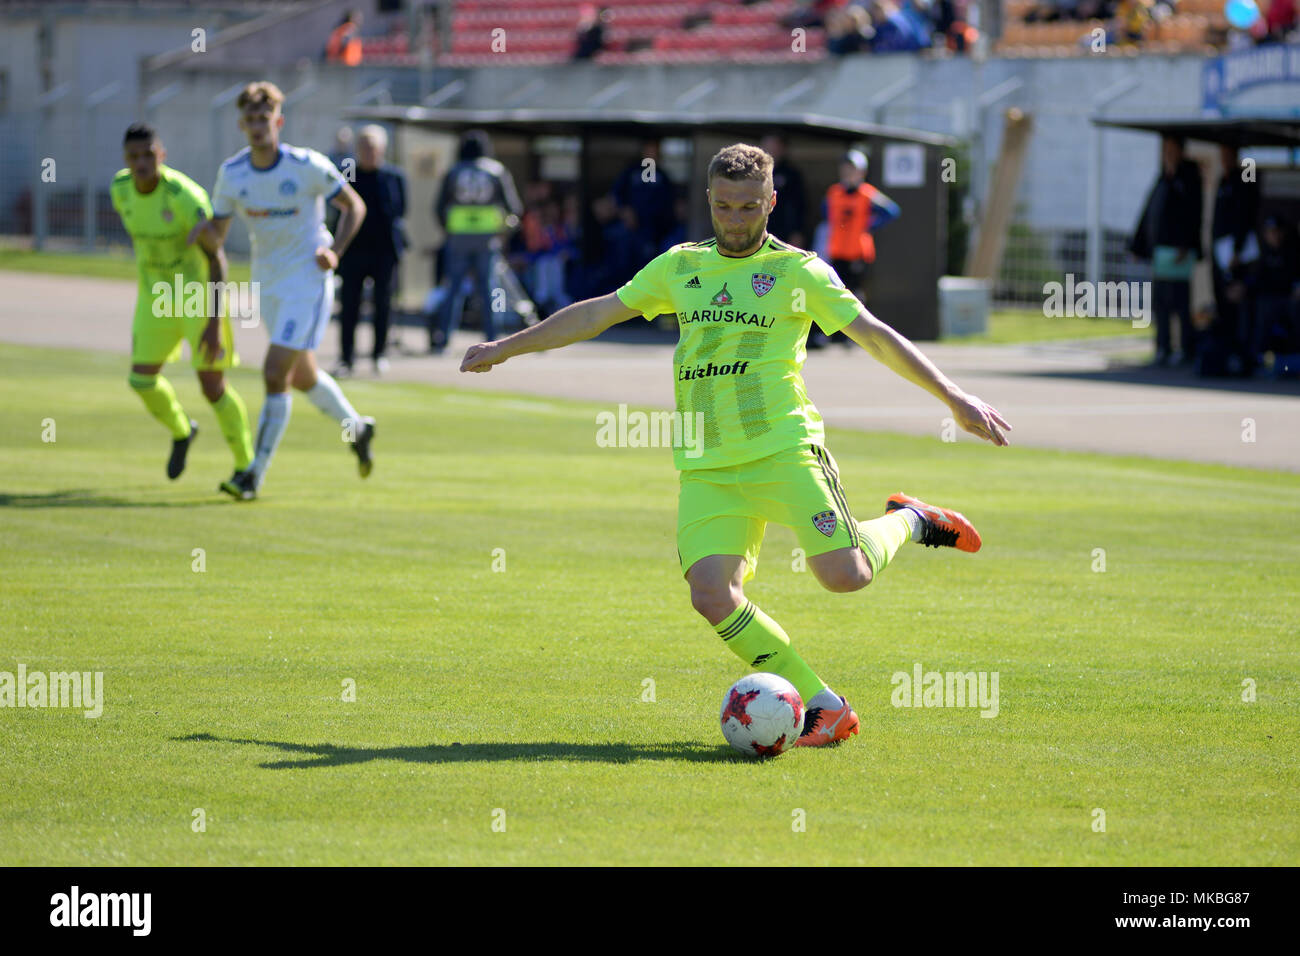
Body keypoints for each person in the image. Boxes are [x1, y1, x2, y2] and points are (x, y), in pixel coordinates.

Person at [460, 143, 1010, 748]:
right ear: (709, 201)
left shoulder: (799, 272)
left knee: (845, 577)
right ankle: (825, 705)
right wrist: (504, 346)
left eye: (750, 207)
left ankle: (910, 519)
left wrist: (954, 397)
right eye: (724, 206)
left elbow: (875, 337)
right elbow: (596, 314)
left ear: (771, 202)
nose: (736, 219)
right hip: (706, 465)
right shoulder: (679, 266)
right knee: (711, 593)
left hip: (782, 448)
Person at [190, 81, 375, 501]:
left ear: (279, 121)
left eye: (264, 118)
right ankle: (358, 428)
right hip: (267, 283)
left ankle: (252, 474)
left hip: (307, 280)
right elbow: (217, 234)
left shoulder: (305, 165)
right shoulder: (232, 174)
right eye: (250, 120)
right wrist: (200, 233)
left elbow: (353, 205)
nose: (258, 127)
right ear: (241, 125)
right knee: (302, 375)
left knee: (275, 372)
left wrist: (335, 251)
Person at [110, 123, 254, 483]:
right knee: (141, 381)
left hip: (195, 298)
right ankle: (182, 430)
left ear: (162, 155)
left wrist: (213, 322)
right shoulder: (120, 189)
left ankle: (246, 465)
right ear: (125, 159)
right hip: (155, 297)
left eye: (148, 155)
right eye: (134, 157)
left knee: (211, 385)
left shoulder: (185, 197)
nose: (141, 163)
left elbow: (219, 259)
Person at [431, 129, 525, 352]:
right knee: (490, 290)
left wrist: (449, 230)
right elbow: (515, 208)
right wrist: (504, 230)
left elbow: (438, 207)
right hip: (487, 239)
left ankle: (442, 339)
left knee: (452, 290)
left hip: (458, 239)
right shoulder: (496, 170)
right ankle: (493, 338)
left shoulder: (453, 171)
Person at [334, 124, 407, 378]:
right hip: (354, 251)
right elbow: (339, 208)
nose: (368, 152)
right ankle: (346, 358)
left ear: (382, 149)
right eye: (363, 147)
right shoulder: (349, 173)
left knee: (383, 305)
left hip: (384, 252)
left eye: (373, 147)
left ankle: (379, 355)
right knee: (350, 305)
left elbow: (400, 211)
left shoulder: (394, 176)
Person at [1130, 135, 1203, 366]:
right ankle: (1163, 348)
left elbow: (1193, 215)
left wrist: (1187, 244)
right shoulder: (1162, 177)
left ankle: (1186, 349)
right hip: (1160, 254)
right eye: (1165, 150)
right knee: (1160, 303)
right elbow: (1149, 212)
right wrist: (1137, 247)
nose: (1167, 155)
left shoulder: (1189, 178)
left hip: (1178, 253)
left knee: (1180, 303)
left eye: (1171, 150)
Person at [815, 148, 899, 347]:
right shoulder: (834, 192)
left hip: (857, 252)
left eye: (852, 169)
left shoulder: (867, 194)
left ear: (861, 172)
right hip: (837, 250)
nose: (848, 173)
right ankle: (830, 334)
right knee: (833, 292)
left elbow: (891, 211)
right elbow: (826, 212)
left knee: (855, 293)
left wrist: (867, 226)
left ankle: (855, 336)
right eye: (845, 169)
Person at [1207, 143, 1260, 376]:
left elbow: (1245, 213)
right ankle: (1225, 351)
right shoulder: (1223, 180)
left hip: (1235, 254)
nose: (1225, 159)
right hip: (1220, 252)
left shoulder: (1245, 177)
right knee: (1223, 304)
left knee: (1238, 302)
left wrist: (1237, 249)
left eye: (1229, 155)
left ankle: (1243, 354)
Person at [760, 134, 807, 250]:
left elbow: (799, 206)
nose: (770, 150)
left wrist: (797, 232)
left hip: (784, 232)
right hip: (761, 230)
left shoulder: (791, 174)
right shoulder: (756, 173)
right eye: (767, 146)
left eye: (774, 146)